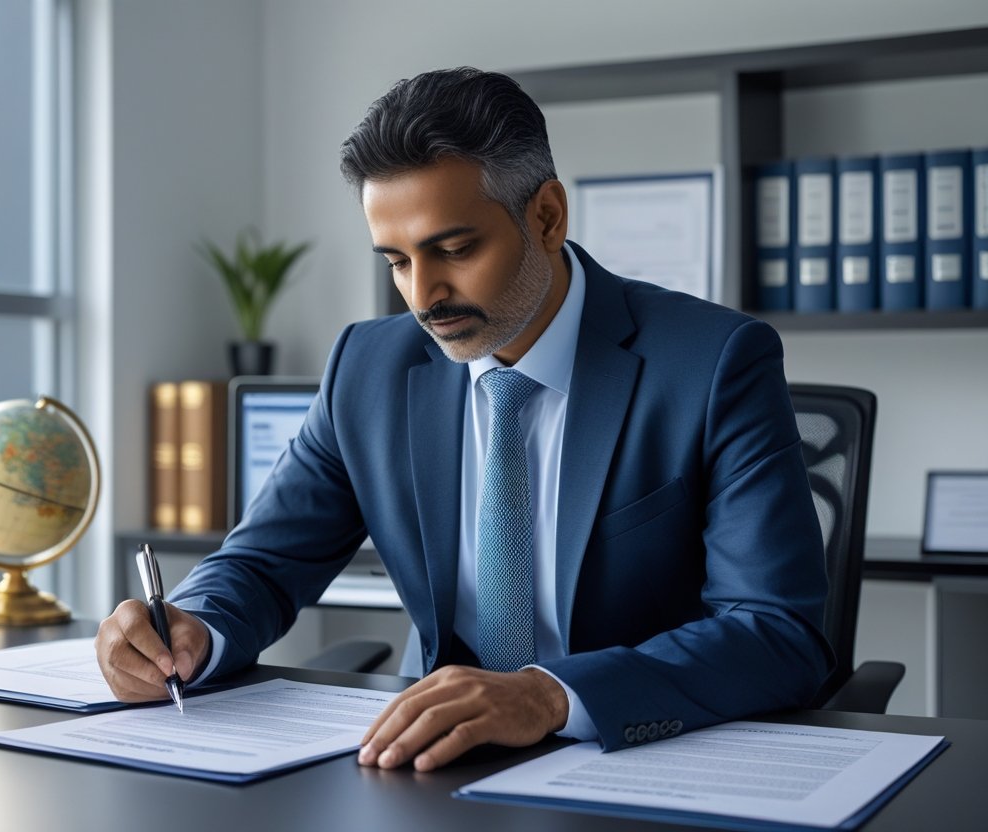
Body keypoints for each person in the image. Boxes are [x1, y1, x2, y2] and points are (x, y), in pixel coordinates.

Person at [95, 66, 833, 772]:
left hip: (634, 757)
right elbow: (261, 564)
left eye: (453, 249)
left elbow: (775, 631)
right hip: (429, 763)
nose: (423, 295)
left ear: (546, 216)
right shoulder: (367, 367)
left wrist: (549, 696)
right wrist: (194, 629)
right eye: (396, 261)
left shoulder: (712, 361)